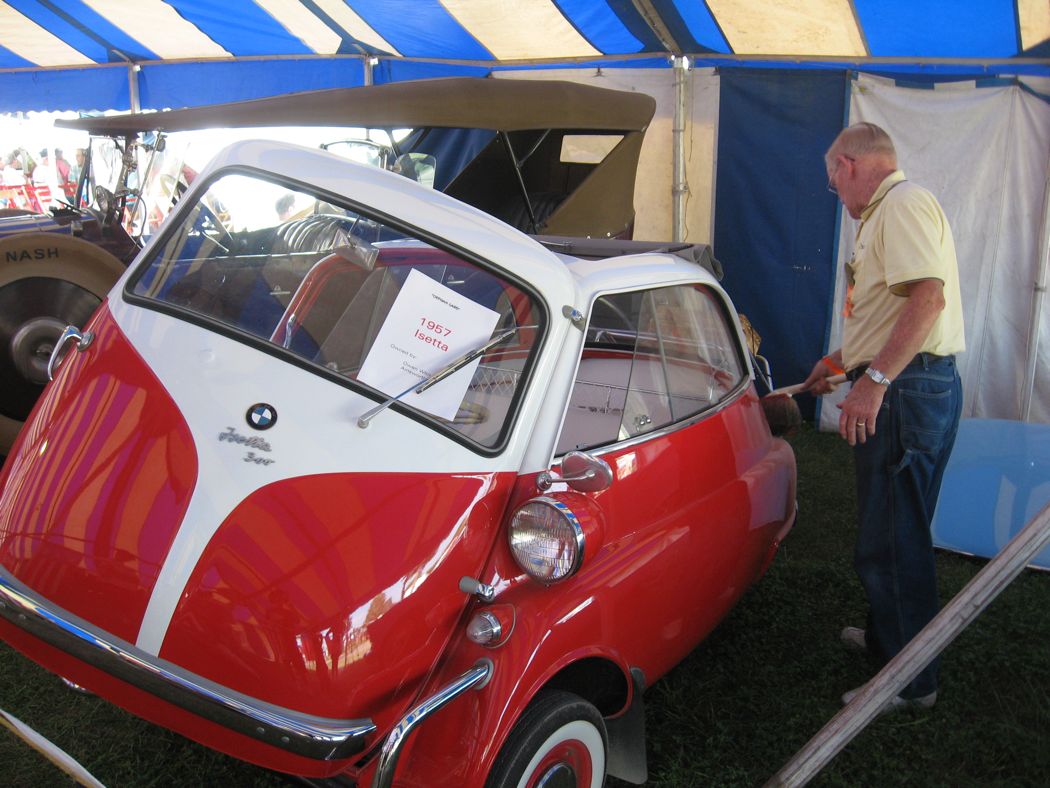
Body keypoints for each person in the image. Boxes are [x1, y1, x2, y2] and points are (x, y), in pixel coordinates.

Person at [802, 122, 965, 712]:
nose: (836, 199)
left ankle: (910, 683)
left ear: (847, 165)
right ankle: (885, 640)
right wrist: (839, 362)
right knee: (895, 526)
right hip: (908, 385)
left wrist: (873, 381)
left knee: (892, 538)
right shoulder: (885, 215)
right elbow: (886, 313)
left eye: (832, 183)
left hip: (906, 390)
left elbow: (928, 299)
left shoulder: (902, 204)